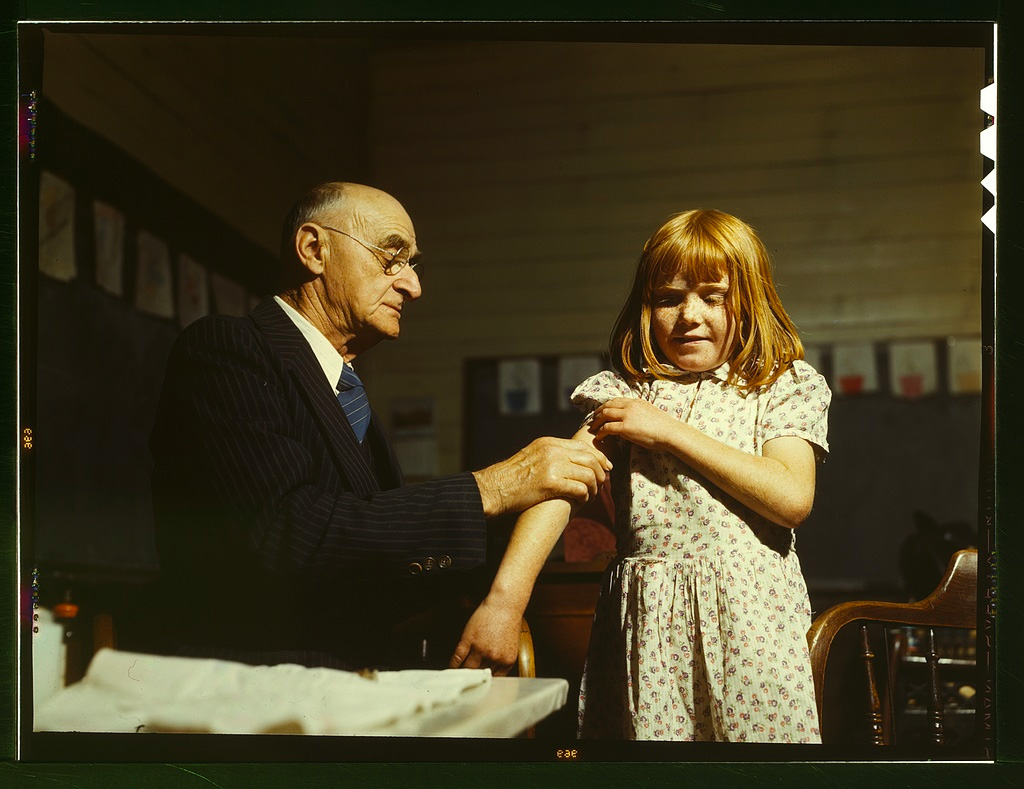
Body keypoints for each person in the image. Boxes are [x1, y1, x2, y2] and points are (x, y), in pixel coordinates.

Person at [149, 181, 610, 671]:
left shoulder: (346, 392)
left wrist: (519, 544)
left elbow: (375, 555)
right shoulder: (228, 350)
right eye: (392, 258)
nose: (413, 286)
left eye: (414, 265)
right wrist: (494, 488)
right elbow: (285, 533)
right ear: (313, 249)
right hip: (256, 694)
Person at [451, 209, 830, 742]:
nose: (689, 315)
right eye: (669, 298)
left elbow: (791, 497)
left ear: (749, 300)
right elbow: (560, 488)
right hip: (647, 624)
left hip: (753, 621)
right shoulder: (625, 393)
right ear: (645, 307)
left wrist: (669, 432)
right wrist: (504, 603)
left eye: (712, 296)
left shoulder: (780, 385)